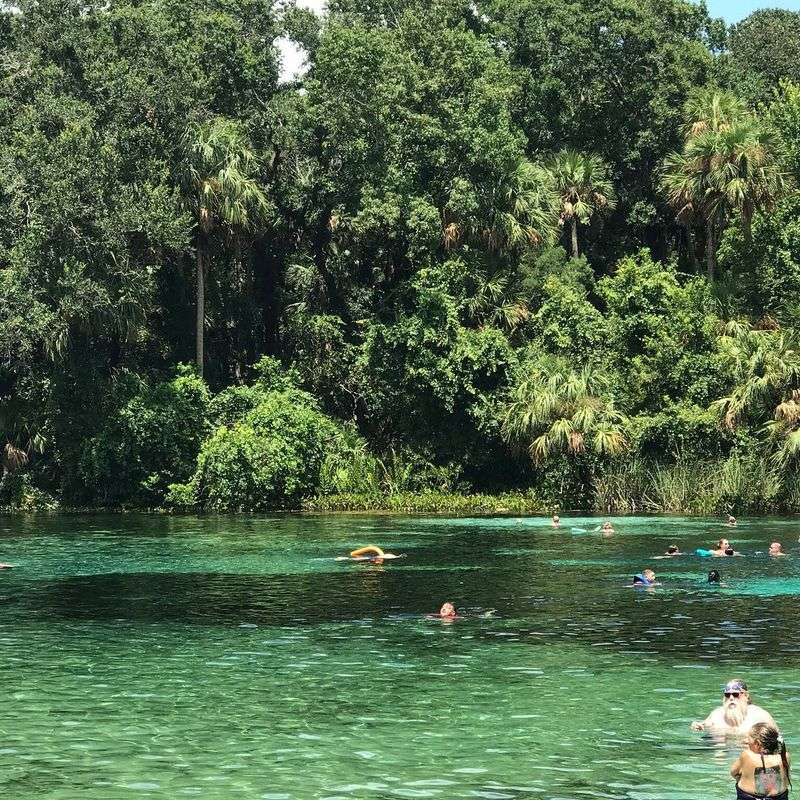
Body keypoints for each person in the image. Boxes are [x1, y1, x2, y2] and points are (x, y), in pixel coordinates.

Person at [730, 722, 791, 800]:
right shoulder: (784, 756)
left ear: (757, 744)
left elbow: (733, 772)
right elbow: (787, 781)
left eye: (749, 739)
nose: (746, 742)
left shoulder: (747, 755)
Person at [691, 679, 776, 735]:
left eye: (735, 694)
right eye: (727, 695)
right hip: (720, 754)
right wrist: (697, 726)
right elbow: (702, 725)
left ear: (746, 696)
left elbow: (777, 739)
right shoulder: (716, 715)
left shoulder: (760, 716)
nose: (731, 698)